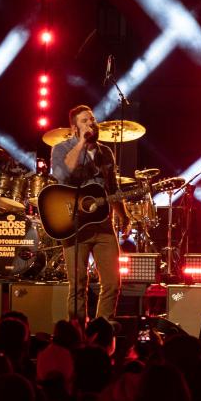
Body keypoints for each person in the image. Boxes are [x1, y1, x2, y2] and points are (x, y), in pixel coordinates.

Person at [50, 104, 124, 323]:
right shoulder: (61, 149)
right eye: (85, 121)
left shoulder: (106, 152)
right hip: (74, 225)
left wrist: (123, 213)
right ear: (74, 128)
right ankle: (77, 333)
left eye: (92, 119)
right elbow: (63, 175)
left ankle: (103, 330)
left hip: (103, 225)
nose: (91, 123)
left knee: (112, 283)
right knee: (78, 283)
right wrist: (81, 142)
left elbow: (112, 187)